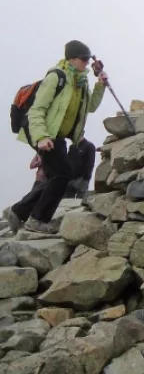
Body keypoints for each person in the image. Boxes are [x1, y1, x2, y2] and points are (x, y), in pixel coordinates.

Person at [3, 41, 106, 234]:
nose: (86, 63)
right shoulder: (56, 77)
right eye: (83, 59)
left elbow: (90, 106)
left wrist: (100, 85)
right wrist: (41, 137)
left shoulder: (80, 82)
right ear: (72, 58)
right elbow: (37, 110)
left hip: (57, 137)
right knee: (63, 174)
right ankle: (37, 219)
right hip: (43, 134)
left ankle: (18, 212)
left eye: (87, 59)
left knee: (56, 176)